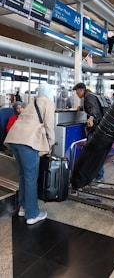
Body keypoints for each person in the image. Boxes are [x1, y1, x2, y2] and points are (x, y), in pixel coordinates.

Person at [4, 83, 55, 225]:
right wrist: (51, 143)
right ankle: (32, 214)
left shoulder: (33, 102)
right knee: (31, 177)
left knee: (23, 175)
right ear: (50, 92)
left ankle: (23, 207)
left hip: (14, 139)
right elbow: (49, 125)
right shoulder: (48, 102)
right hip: (28, 142)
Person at [73, 82, 104, 182]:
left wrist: (91, 118)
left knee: (95, 151)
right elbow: (93, 107)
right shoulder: (91, 95)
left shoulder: (88, 97)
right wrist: (81, 108)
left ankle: (99, 176)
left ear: (81, 90)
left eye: (77, 92)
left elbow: (94, 109)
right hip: (100, 126)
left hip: (96, 127)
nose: (77, 94)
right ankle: (97, 175)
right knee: (96, 151)